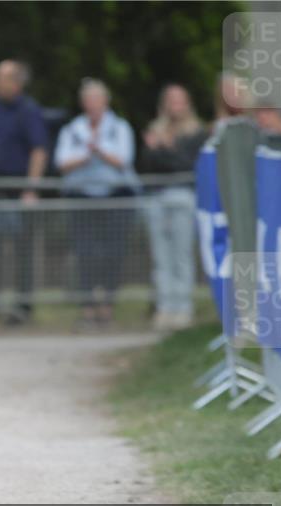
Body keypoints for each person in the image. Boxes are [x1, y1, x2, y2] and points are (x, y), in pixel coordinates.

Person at [55, 78, 138, 328]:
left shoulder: (119, 128)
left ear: (105, 101)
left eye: (97, 99)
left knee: (113, 251)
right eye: (88, 100)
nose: (92, 104)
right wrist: (86, 154)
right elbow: (62, 162)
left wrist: (98, 150)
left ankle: (107, 305)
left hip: (115, 196)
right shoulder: (72, 130)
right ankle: (88, 306)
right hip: (81, 196)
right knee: (85, 252)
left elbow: (123, 160)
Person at [0, 59, 48, 323]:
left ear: (16, 82)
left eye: (0, 77)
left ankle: (23, 307)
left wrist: (31, 188)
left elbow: (39, 150)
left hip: (18, 187)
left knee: (23, 251)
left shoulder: (29, 110)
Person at [140, 84, 208, 330]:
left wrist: (164, 147)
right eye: (171, 100)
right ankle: (165, 307)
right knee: (161, 257)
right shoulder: (155, 129)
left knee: (181, 255)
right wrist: (161, 150)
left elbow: (187, 165)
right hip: (157, 197)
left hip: (183, 197)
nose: (175, 105)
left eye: (179, 100)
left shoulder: (197, 133)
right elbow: (147, 164)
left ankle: (183, 307)